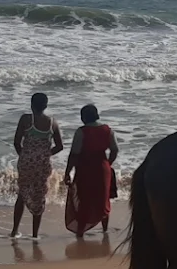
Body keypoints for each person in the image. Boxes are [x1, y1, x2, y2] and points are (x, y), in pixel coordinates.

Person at [10, 92, 64, 240]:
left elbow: (16, 142)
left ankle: (14, 231)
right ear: (46, 106)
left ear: (31, 105)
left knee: (22, 195)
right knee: (39, 197)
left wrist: (24, 155)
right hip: (43, 164)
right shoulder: (52, 122)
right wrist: (45, 154)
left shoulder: (26, 119)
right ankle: (35, 235)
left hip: (26, 162)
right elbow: (60, 146)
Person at [64, 104, 119, 237]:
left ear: (83, 118)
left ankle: (80, 232)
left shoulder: (81, 132)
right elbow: (115, 150)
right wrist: (108, 164)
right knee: (103, 199)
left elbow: (74, 154)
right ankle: (105, 229)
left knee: (84, 200)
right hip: (103, 168)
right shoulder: (108, 130)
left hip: (85, 168)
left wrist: (68, 172)